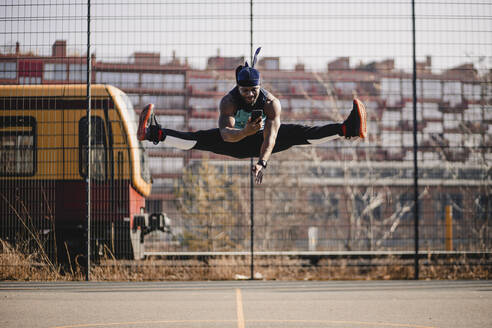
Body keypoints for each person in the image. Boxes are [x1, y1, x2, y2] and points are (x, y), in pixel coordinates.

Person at [137, 48, 367, 184]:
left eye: (253, 90)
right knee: (198, 138)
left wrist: (262, 163)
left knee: (299, 133)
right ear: (237, 88)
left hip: (262, 141)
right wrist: (245, 130)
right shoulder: (228, 101)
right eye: (244, 90)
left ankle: (348, 129)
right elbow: (226, 135)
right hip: (235, 142)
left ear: (260, 87)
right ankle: (152, 133)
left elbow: (271, 138)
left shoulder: (270, 103)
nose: (249, 94)